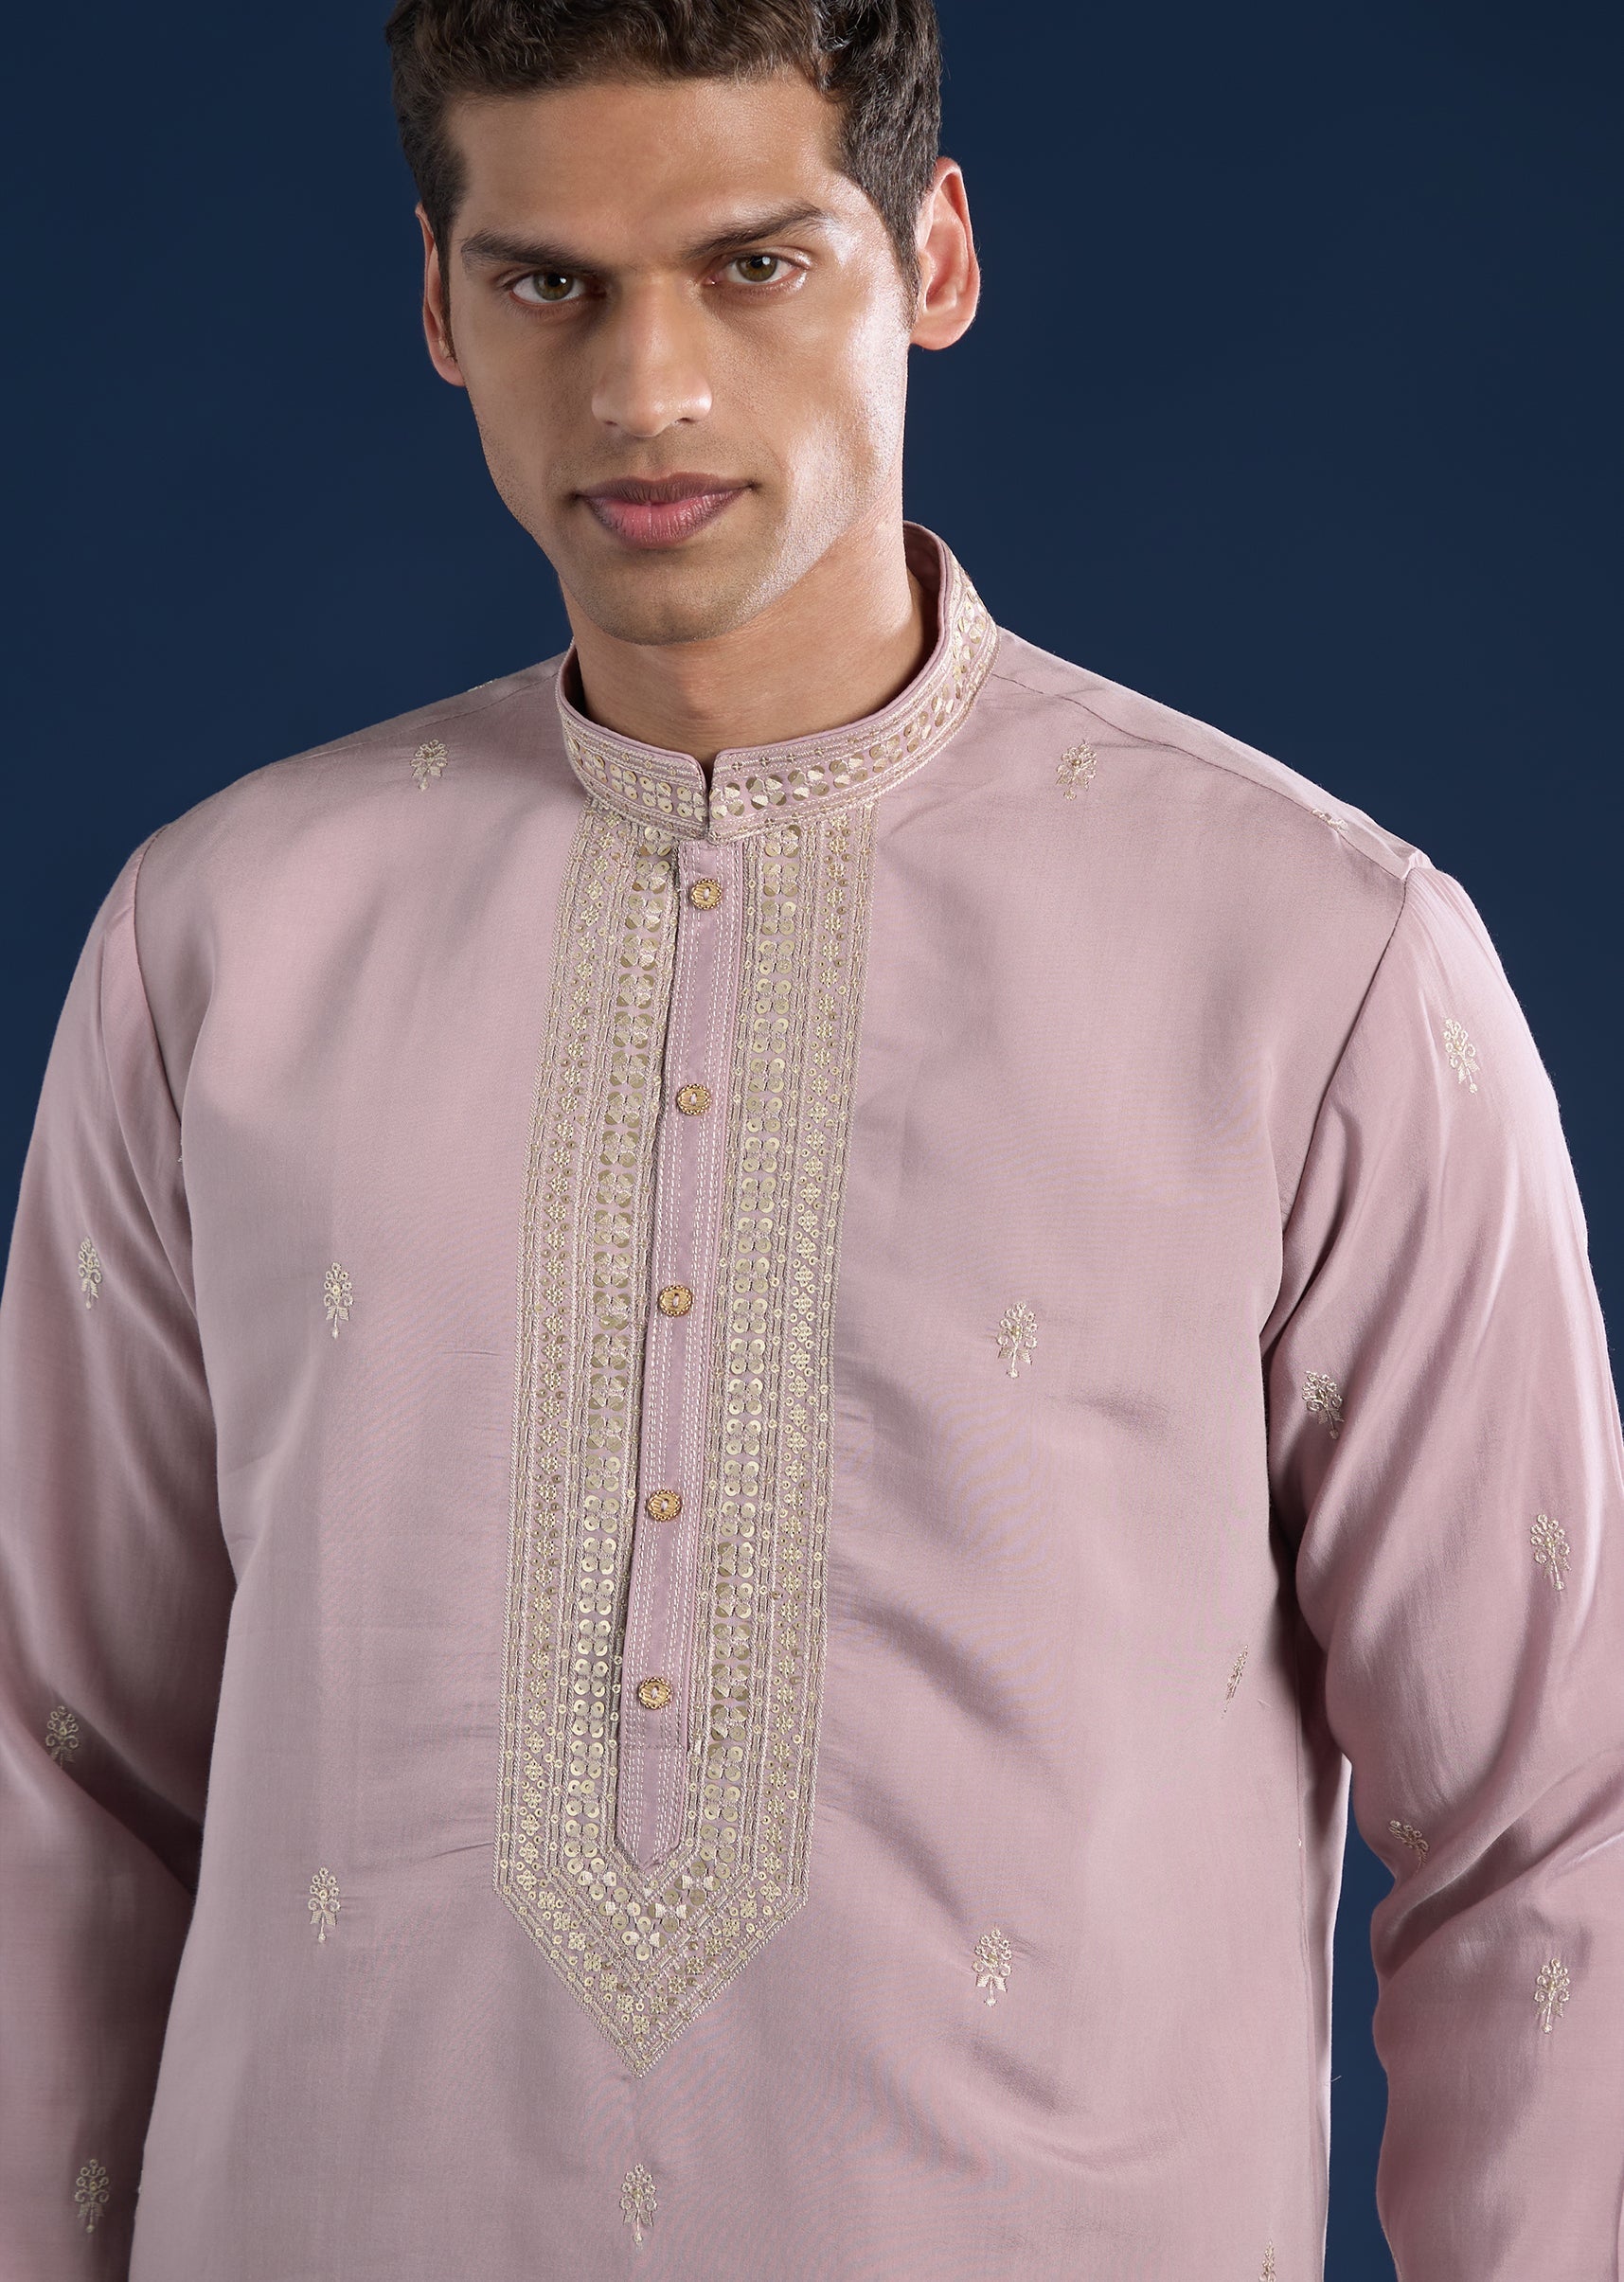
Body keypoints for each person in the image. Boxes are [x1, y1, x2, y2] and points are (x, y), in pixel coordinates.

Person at [2, 1, 1618, 2273]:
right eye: (549, 282)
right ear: (441, 306)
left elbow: (1554, 1836)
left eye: (753, 264)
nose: (646, 387)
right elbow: (57, 1784)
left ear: (932, 255)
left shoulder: (1317, 959)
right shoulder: (220, 944)